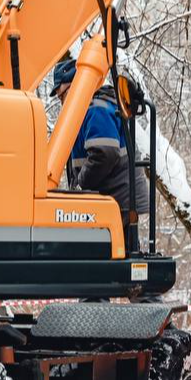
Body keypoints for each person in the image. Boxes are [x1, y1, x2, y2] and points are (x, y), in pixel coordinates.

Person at [52, 58, 150, 250]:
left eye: (61, 95)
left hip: (117, 199)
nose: (61, 103)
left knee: (113, 255)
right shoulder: (93, 108)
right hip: (116, 198)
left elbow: (104, 153)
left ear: (73, 87)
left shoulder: (96, 109)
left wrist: (81, 183)